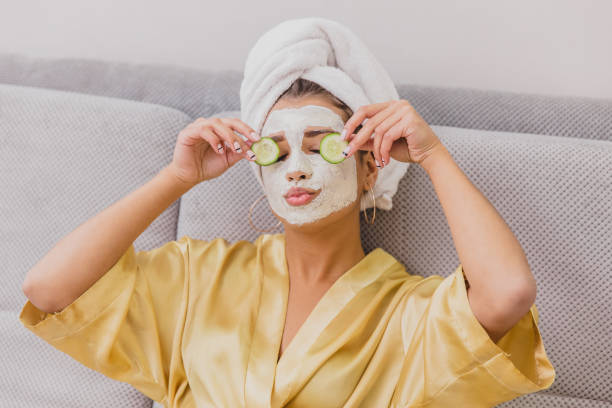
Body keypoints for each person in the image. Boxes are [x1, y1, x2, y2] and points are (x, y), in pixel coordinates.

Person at [19, 18, 555, 408]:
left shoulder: (408, 315)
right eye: (275, 150)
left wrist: (434, 156)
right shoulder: (198, 276)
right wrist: (176, 179)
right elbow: (48, 288)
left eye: (321, 145)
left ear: (370, 169)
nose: (295, 168)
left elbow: (506, 293)